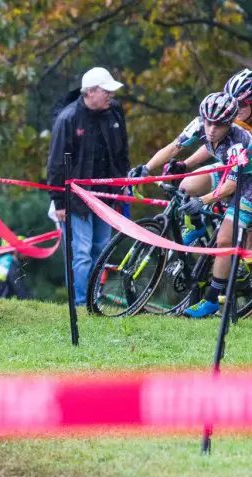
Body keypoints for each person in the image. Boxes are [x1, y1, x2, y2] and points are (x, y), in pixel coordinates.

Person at [133, 92, 252, 318]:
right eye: (208, 123)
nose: (211, 130)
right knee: (187, 185)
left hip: (246, 185)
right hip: (227, 170)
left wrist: (203, 201)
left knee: (225, 239)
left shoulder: (239, 141)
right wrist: (146, 168)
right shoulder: (200, 123)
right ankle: (196, 227)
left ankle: (211, 301)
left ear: (229, 123)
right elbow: (174, 147)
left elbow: (229, 187)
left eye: (218, 125)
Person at [136, 68, 252, 245]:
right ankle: (196, 226)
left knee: (242, 231)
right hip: (234, 170)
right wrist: (185, 164)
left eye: (241, 104)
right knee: (188, 185)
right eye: (231, 99)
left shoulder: (242, 134)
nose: (234, 106)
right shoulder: (229, 118)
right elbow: (215, 146)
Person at [46, 67, 130, 306]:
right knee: (80, 251)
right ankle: (80, 303)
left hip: (107, 195)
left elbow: (122, 151)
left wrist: (124, 182)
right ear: (90, 92)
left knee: (102, 247)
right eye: (106, 91)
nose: (110, 95)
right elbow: (55, 164)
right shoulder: (68, 118)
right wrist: (59, 201)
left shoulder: (114, 112)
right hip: (75, 198)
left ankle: (95, 298)